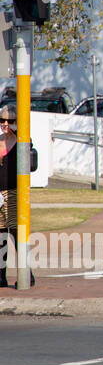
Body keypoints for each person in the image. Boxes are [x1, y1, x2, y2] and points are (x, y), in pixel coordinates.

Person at [0, 105, 32, 287]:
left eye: (10, 120)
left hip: (14, 192)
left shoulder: (22, 141)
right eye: (2, 120)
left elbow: (29, 153)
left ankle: (27, 273)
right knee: (0, 235)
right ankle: (1, 275)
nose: (5, 124)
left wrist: (17, 131)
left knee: (16, 234)